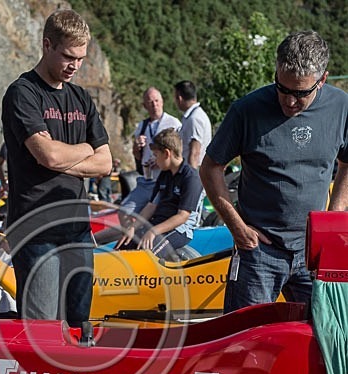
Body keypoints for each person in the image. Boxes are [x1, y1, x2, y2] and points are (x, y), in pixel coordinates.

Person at [199, 30, 348, 314]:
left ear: (323, 80)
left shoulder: (340, 106)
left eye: (301, 93)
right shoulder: (247, 110)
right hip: (259, 251)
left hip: (314, 251)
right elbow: (210, 167)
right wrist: (237, 226)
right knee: (244, 340)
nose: (289, 101)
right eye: (282, 88)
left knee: (323, 337)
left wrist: (336, 214)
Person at [1, 9, 112, 327]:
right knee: (42, 329)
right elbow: (47, 155)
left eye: (80, 58)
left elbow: (105, 162)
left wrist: (65, 157)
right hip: (36, 228)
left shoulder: (81, 97)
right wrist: (85, 150)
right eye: (67, 56)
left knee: (78, 324)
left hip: (77, 226)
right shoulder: (23, 93)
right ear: (47, 45)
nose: (74, 66)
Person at [116, 129, 204, 260]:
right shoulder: (165, 174)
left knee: (144, 257)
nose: (154, 160)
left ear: (167, 153)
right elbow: (151, 206)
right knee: (121, 249)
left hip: (178, 230)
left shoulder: (191, 178)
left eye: (156, 155)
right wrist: (133, 228)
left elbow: (182, 216)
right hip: (157, 224)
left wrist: (153, 231)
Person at [119, 87, 181, 217]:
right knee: (124, 212)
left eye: (157, 101)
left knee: (158, 216)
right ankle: (134, 235)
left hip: (166, 179)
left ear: (162, 101)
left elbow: (179, 152)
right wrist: (136, 147)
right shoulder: (142, 125)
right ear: (144, 105)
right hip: (147, 179)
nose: (154, 105)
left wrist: (162, 162)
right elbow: (137, 156)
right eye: (150, 102)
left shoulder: (174, 123)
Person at [173, 80, 212, 169]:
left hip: (196, 169)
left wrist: (191, 179)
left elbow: (195, 153)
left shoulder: (194, 118)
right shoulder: (191, 116)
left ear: (179, 98)